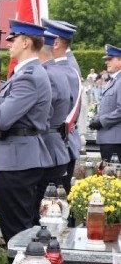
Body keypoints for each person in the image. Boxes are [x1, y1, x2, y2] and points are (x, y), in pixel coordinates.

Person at [0, 19, 52, 244]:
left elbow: (2, 119)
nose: (8, 44)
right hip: (17, 158)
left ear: (26, 42)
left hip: (17, 162)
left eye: (13, 39)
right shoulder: (25, 74)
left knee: (17, 231)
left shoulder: (29, 77)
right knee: (15, 225)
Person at [34, 32, 73, 222]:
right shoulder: (60, 72)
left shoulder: (46, 75)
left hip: (46, 148)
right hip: (56, 144)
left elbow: (43, 116)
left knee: (41, 211)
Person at [44, 19, 83, 195]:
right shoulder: (64, 67)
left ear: (56, 42)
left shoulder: (65, 70)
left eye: (44, 38)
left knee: (52, 204)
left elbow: (64, 113)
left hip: (58, 145)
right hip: (60, 144)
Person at [90, 44, 121, 161]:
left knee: (113, 176)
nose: (107, 62)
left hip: (116, 140)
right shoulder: (114, 80)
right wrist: (96, 118)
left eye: (110, 59)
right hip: (110, 138)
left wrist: (101, 121)